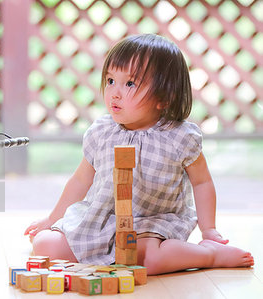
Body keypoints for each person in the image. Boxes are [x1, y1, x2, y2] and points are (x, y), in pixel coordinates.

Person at [24, 34, 254, 275]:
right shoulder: (102, 132)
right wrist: (52, 219)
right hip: (102, 220)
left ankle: (210, 254)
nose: (114, 92)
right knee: (44, 244)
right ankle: (109, 256)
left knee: (148, 260)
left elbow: (202, 181)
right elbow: (81, 180)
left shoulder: (178, 137)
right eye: (111, 80)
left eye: (130, 84)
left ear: (164, 97)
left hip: (151, 225)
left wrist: (209, 230)